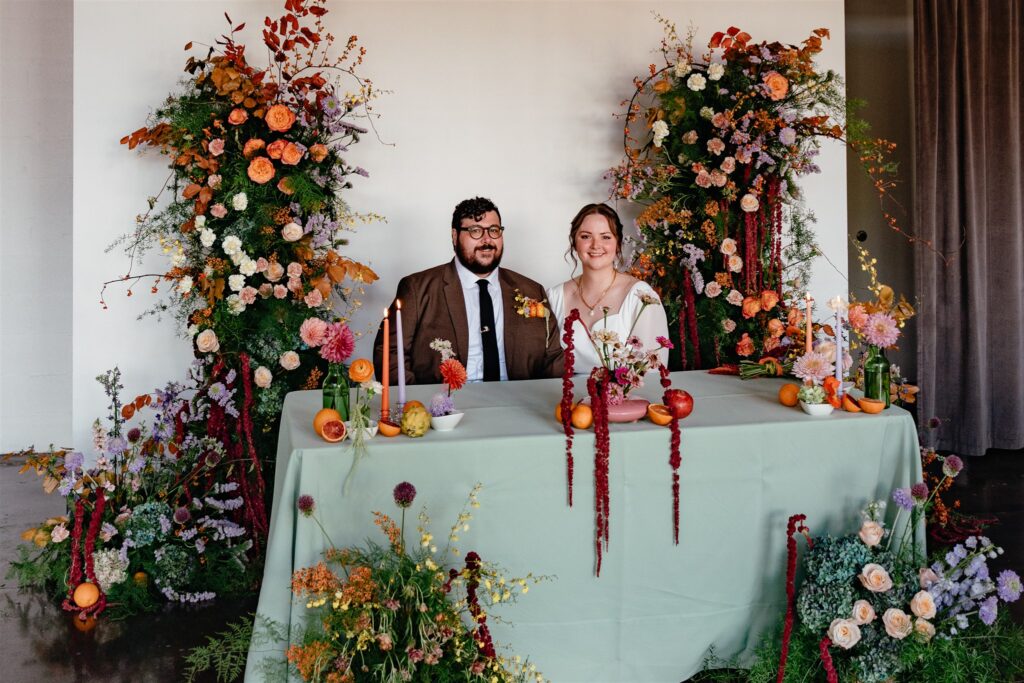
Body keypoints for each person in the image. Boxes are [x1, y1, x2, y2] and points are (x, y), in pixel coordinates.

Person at [373, 197, 563, 384]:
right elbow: (389, 353)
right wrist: (416, 402)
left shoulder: (531, 290)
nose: (487, 240)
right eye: (475, 231)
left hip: (518, 401)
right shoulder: (417, 288)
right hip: (446, 404)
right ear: (455, 236)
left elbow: (552, 357)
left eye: (494, 230)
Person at [546, 203, 670, 374]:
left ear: (618, 243)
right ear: (574, 243)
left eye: (605, 237)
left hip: (624, 399)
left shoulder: (641, 297)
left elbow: (650, 371)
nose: (596, 245)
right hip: (566, 398)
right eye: (585, 236)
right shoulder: (555, 297)